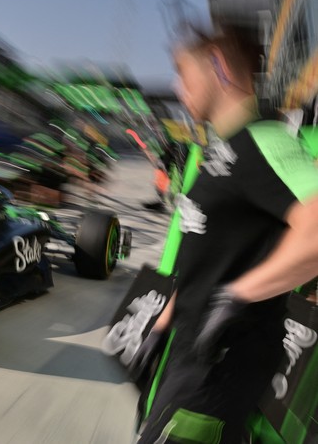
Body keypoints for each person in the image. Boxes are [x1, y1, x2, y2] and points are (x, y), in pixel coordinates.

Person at [132, 22, 318, 443]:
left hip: (224, 363)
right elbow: (210, 253)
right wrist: (163, 325)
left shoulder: (266, 141)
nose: (178, 88)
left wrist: (241, 294)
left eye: (184, 73)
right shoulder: (218, 151)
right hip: (191, 354)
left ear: (218, 65)